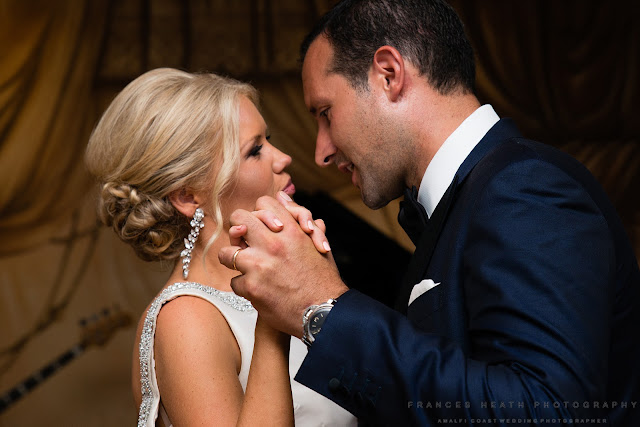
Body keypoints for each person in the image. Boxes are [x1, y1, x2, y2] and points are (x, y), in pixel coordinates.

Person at [218, 0, 640, 425]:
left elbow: (544, 411)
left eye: (326, 114)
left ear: (389, 74)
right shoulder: (474, 198)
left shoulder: (523, 189)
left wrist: (323, 309)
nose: (320, 151)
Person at [84, 68, 356, 426]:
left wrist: (326, 290)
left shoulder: (293, 280)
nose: (283, 158)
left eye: (268, 139)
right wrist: (271, 317)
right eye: (255, 150)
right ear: (187, 196)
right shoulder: (185, 320)